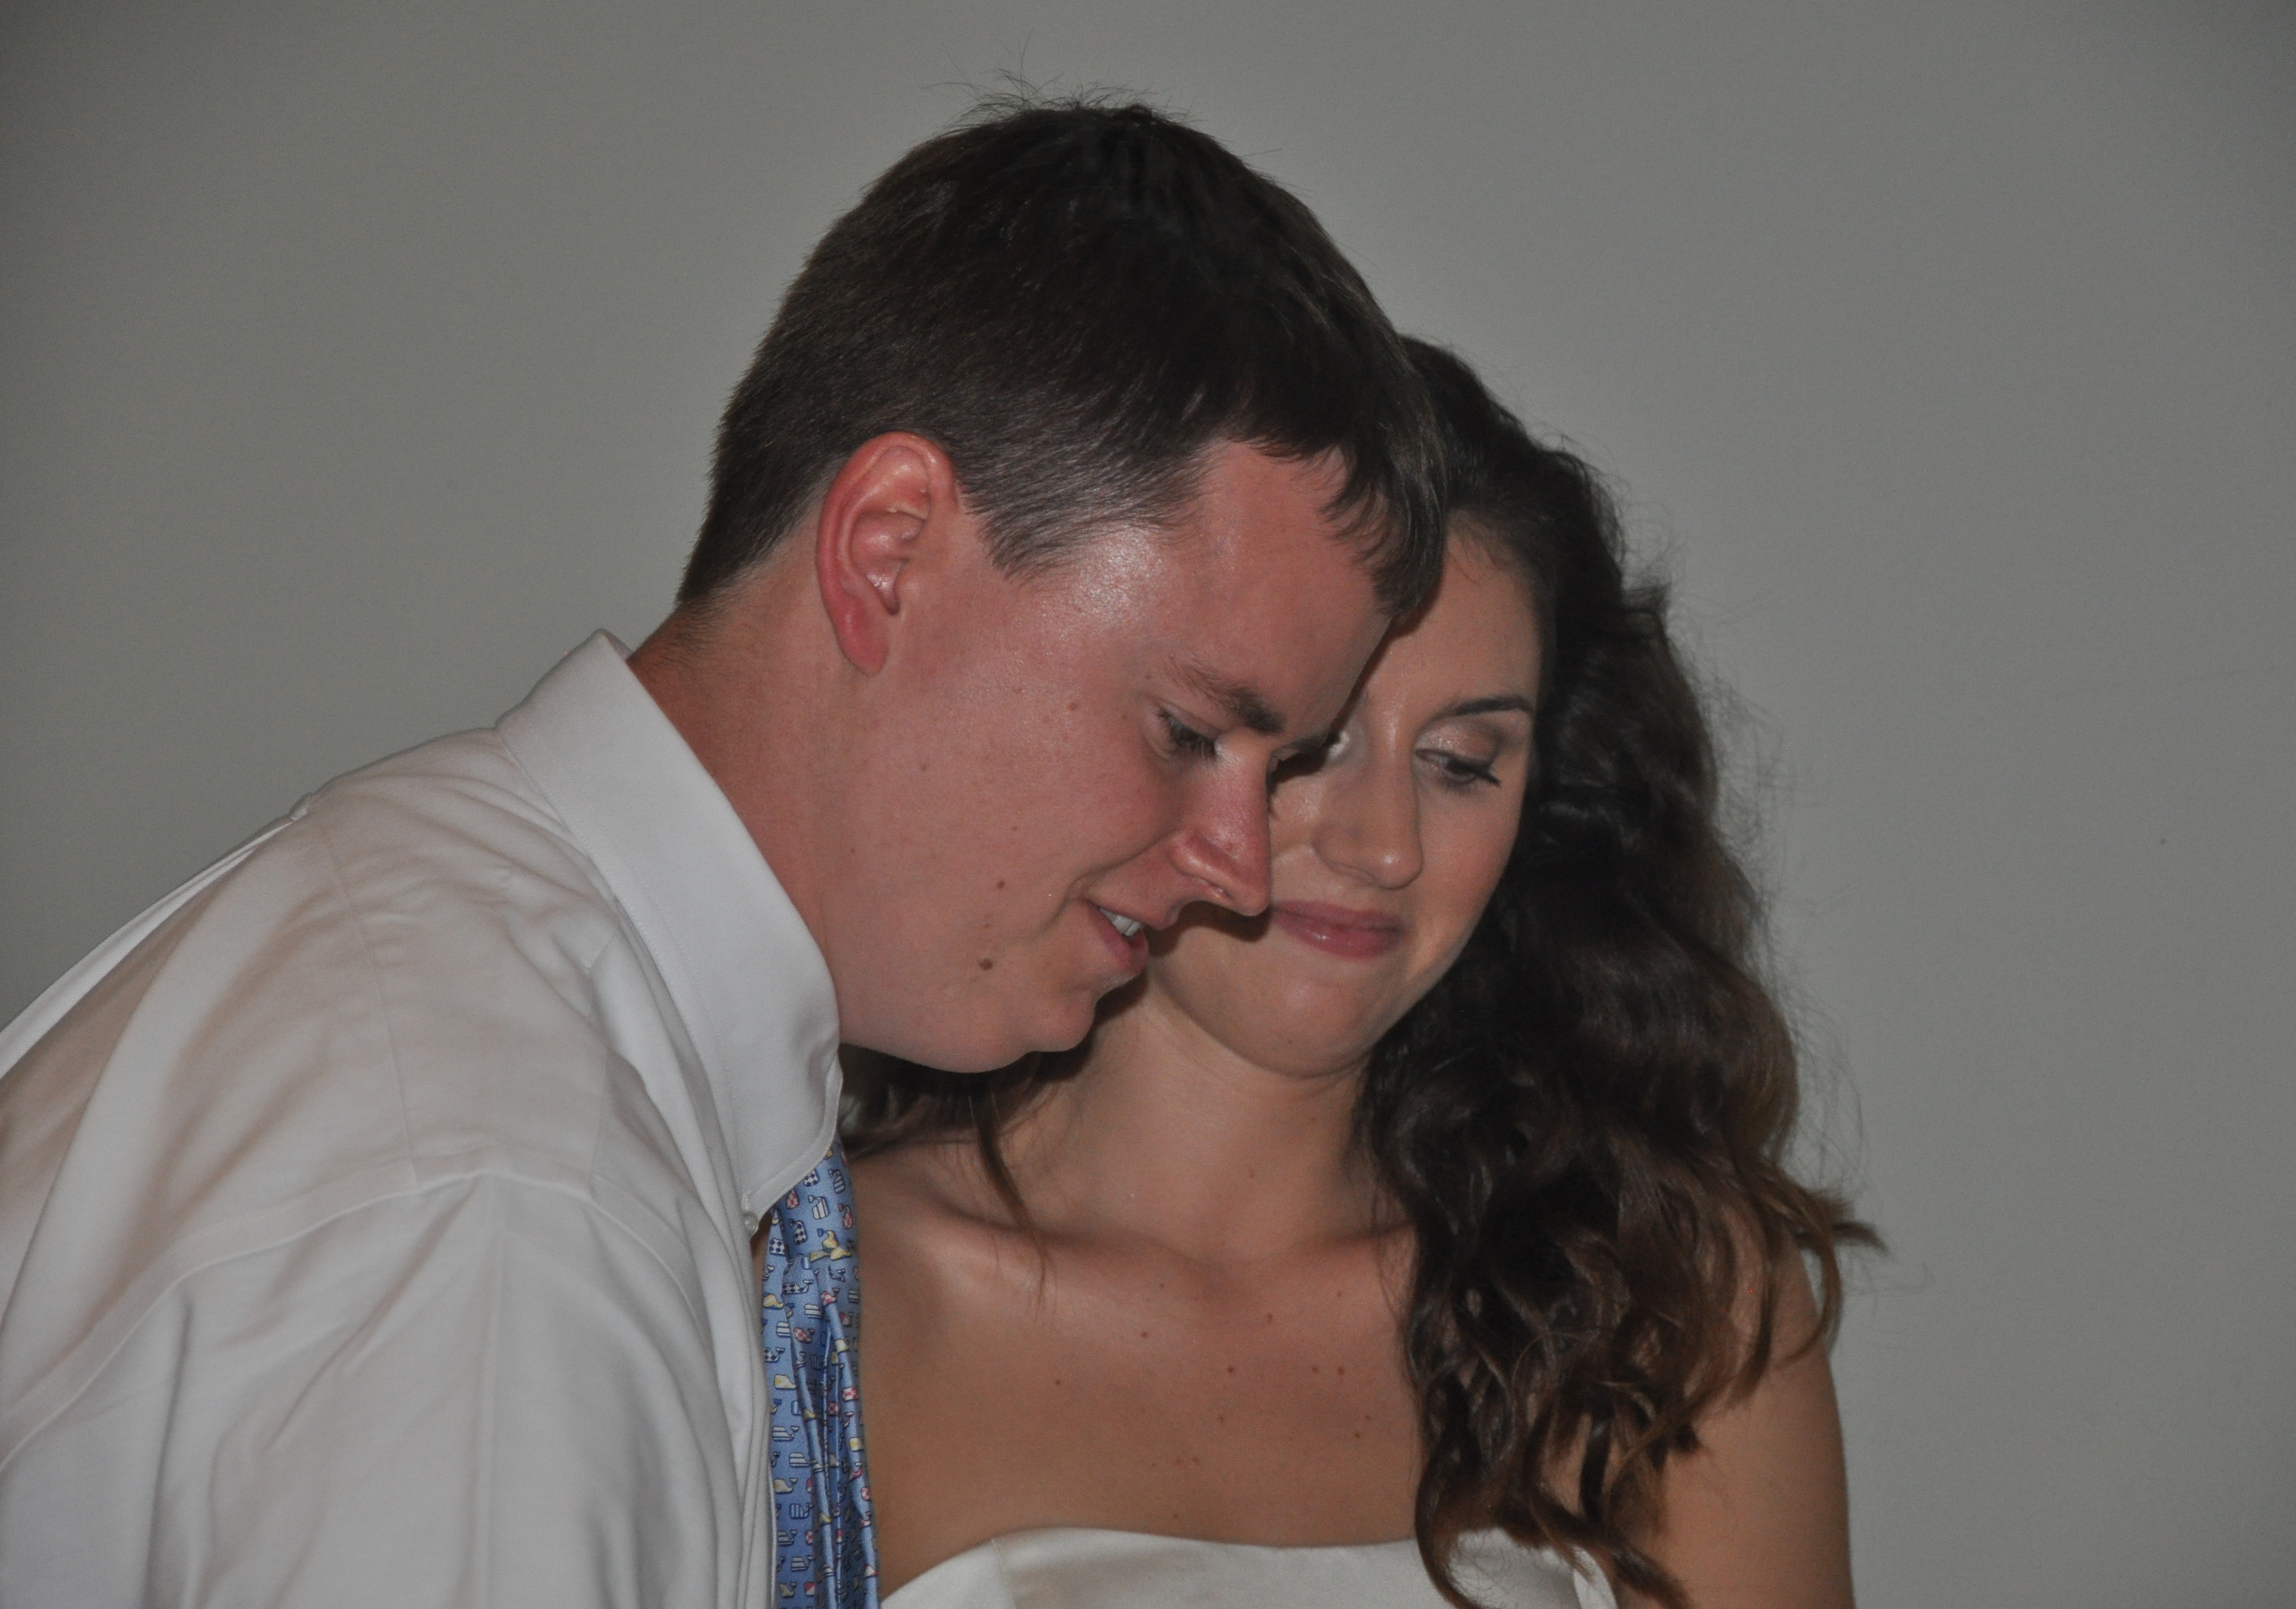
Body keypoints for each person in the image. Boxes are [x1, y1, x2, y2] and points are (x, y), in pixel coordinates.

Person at [0, 100, 1444, 1607]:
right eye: (1188, 728)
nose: (1241, 868)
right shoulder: (504, 1201)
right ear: (889, 551)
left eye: (1276, 766)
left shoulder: (457, 987)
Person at [847, 340, 1872, 1609]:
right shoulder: (819, 1295)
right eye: (1313, 741)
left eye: (1462, 761)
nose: (1384, 845)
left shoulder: (1663, 1300)